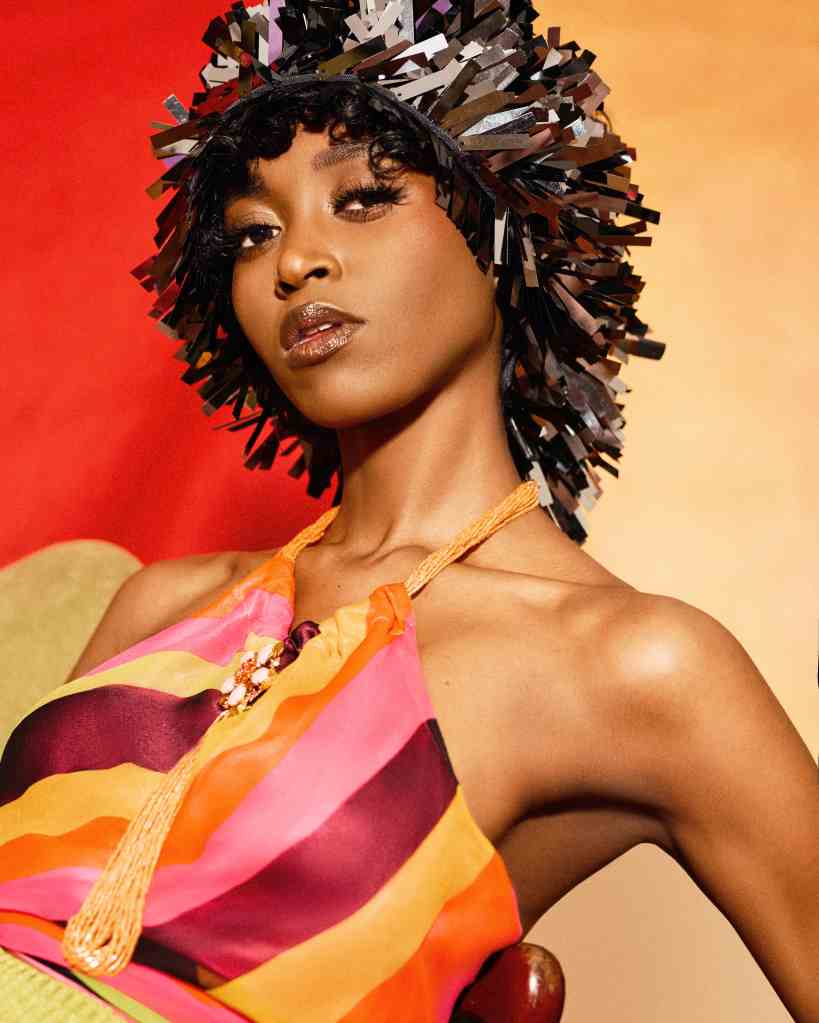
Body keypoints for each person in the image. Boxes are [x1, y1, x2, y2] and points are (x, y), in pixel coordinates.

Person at [1, 2, 817, 1021]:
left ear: (506, 226)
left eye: (363, 198)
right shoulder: (156, 603)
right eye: (254, 232)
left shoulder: (630, 664)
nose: (294, 262)